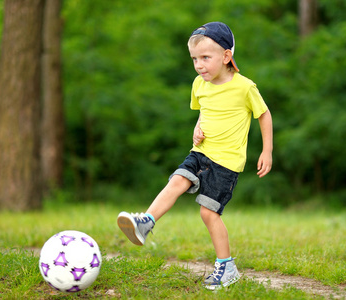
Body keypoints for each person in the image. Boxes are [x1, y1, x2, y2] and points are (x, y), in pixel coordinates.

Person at [117, 21, 273, 290]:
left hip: (226, 163)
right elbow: (204, 111)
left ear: (226, 56)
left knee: (208, 214)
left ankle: (227, 267)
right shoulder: (200, 84)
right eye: (194, 59)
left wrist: (267, 150)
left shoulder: (244, 87)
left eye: (205, 58)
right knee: (177, 180)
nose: (199, 65)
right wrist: (197, 128)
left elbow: (264, 114)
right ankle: (146, 222)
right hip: (201, 153)